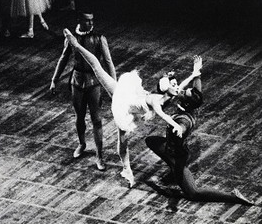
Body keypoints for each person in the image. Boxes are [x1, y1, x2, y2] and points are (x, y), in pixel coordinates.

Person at [63, 28, 184, 187]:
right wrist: (176, 125)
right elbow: (163, 115)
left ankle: (126, 169)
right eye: (174, 85)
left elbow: (179, 88)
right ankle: (76, 44)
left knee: (123, 140)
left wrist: (195, 73)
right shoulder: (157, 100)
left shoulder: (165, 97)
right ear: (166, 88)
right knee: (97, 68)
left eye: (176, 85)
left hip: (130, 100)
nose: (177, 87)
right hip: (124, 101)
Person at [145, 56, 254, 205]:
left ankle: (232, 196)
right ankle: (172, 172)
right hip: (171, 147)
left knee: (193, 193)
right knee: (150, 140)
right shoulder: (190, 103)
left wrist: (179, 129)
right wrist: (197, 72)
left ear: (186, 102)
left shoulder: (184, 119)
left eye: (186, 92)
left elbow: (183, 124)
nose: (183, 91)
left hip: (178, 157)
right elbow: (196, 89)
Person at [50, 12, 116, 170]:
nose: (90, 23)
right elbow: (63, 59)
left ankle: (99, 155)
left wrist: (114, 87)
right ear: (79, 21)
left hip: (94, 82)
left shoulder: (100, 39)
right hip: (77, 81)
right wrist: (54, 79)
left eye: (92, 20)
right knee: (79, 116)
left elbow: (108, 62)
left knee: (97, 119)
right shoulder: (72, 39)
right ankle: (82, 144)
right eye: (87, 20)